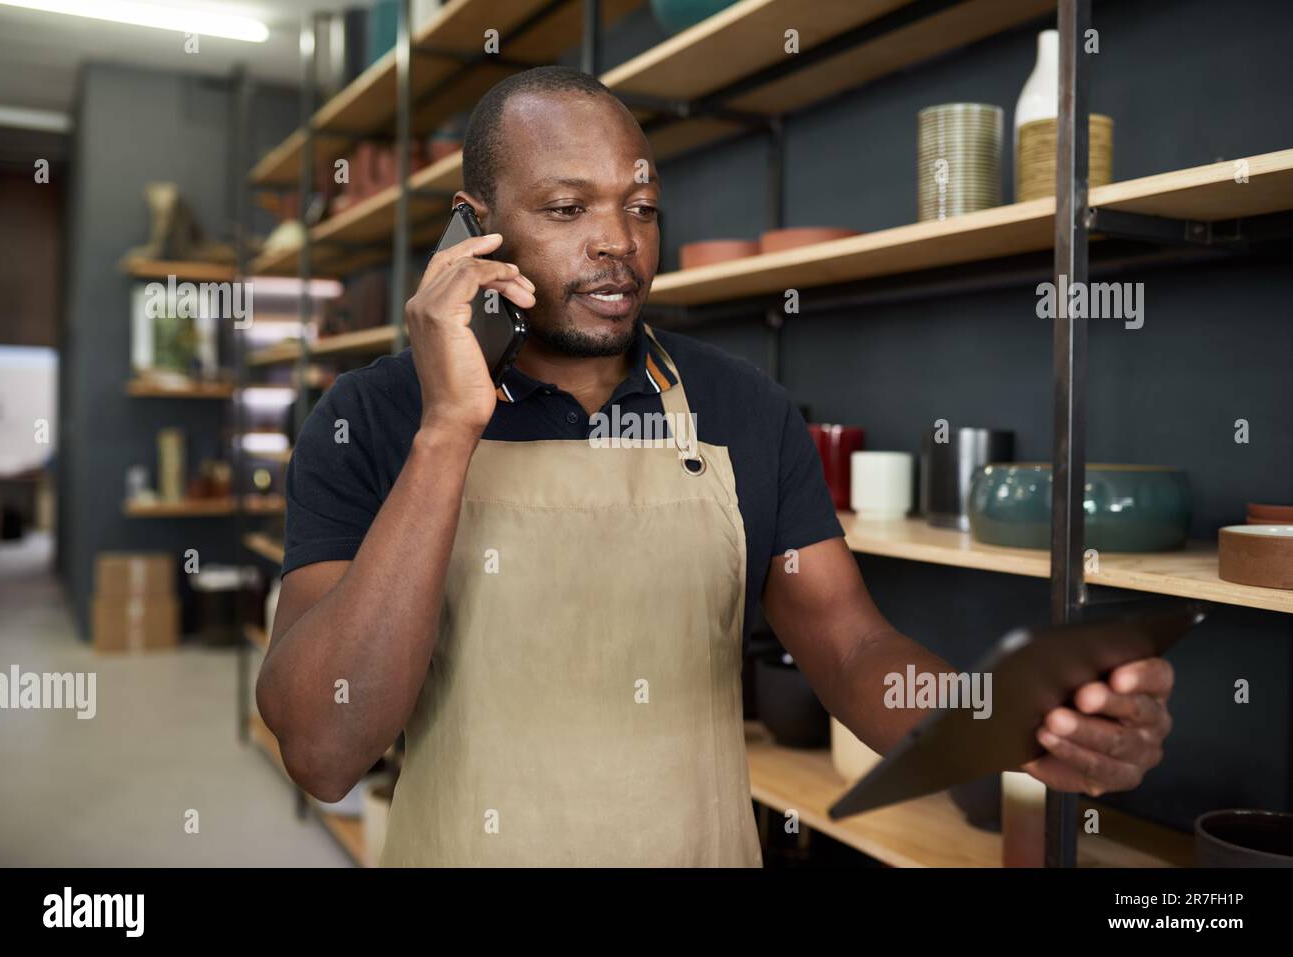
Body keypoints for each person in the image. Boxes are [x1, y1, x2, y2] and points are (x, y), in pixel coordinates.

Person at [255, 66, 1174, 867]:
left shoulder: (742, 407)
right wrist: (450, 425)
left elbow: (854, 650)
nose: (621, 241)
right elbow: (324, 747)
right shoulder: (372, 418)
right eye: (568, 209)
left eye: (642, 207)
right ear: (474, 229)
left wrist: (1005, 723)